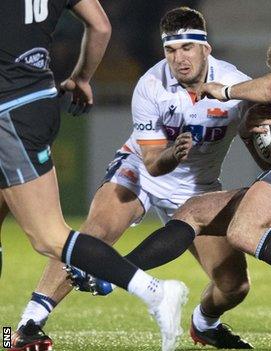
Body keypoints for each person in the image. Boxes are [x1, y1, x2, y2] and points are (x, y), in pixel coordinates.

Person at [75, 33, 271, 351]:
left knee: (243, 230)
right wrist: (250, 132)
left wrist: (225, 91)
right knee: (193, 211)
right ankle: (120, 276)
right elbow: (270, 167)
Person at [11, 6, 253, 350]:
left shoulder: (235, 85)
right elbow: (154, 163)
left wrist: (262, 127)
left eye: (186, 48)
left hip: (198, 189)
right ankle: (27, 324)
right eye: (170, 50)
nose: (179, 59)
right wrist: (173, 153)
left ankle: (205, 325)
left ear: (205, 49)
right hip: (141, 170)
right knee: (95, 232)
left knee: (234, 286)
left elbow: (258, 133)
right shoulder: (151, 84)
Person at [0, 1, 189, 351]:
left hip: (9, 111)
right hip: (37, 100)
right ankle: (8, 337)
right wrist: (82, 77)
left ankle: (156, 292)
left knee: (48, 236)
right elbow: (100, 26)